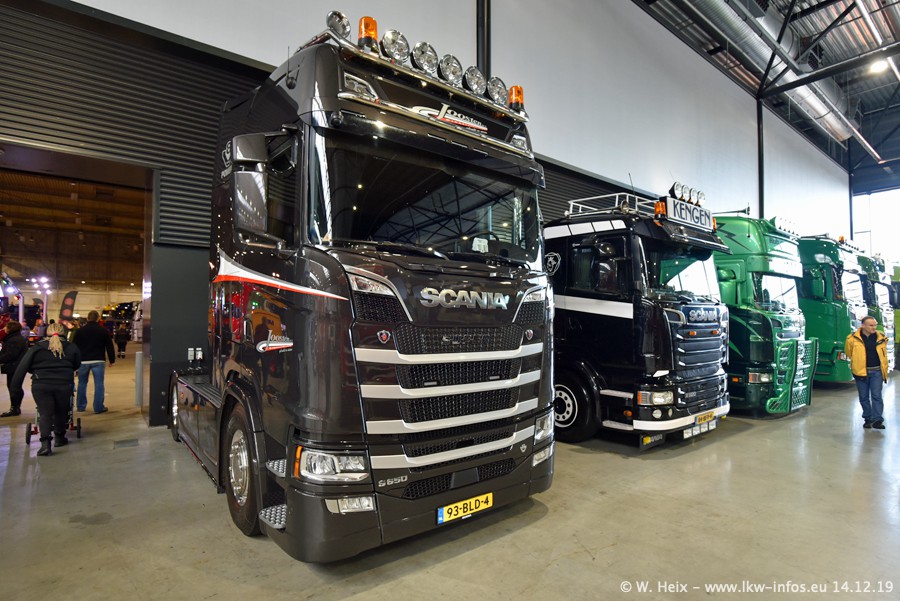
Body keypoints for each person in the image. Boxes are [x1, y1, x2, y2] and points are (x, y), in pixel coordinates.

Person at [10, 323, 81, 456]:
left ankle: (45, 445)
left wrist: (15, 388)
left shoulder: (37, 348)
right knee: (60, 411)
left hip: (41, 385)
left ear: (46, 332)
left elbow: (23, 367)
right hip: (64, 384)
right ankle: (59, 438)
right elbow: (77, 364)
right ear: (64, 333)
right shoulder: (71, 347)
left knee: (45, 413)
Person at [845, 316, 889, 430]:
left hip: (877, 371)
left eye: (875, 325)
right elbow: (849, 353)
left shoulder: (881, 337)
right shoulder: (852, 339)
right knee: (863, 397)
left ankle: (877, 420)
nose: (874, 327)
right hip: (861, 372)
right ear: (863, 326)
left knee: (876, 396)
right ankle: (868, 419)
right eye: (871, 325)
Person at [72, 310, 115, 413]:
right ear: (98, 318)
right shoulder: (103, 330)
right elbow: (109, 346)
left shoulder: (80, 331)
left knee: (82, 383)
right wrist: (112, 360)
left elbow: (74, 347)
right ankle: (98, 407)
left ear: (87, 318)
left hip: (83, 361)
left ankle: (81, 406)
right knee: (99, 383)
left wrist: (74, 361)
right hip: (98, 360)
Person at [0, 320, 29, 417]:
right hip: (16, 366)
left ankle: (14, 408)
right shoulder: (14, 338)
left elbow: (10, 355)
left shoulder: (14, 340)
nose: (4, 328)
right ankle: (15, 408)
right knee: (14, 387)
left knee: (13, 387)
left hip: (15, 367)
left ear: (10, 328)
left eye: (6, 327)